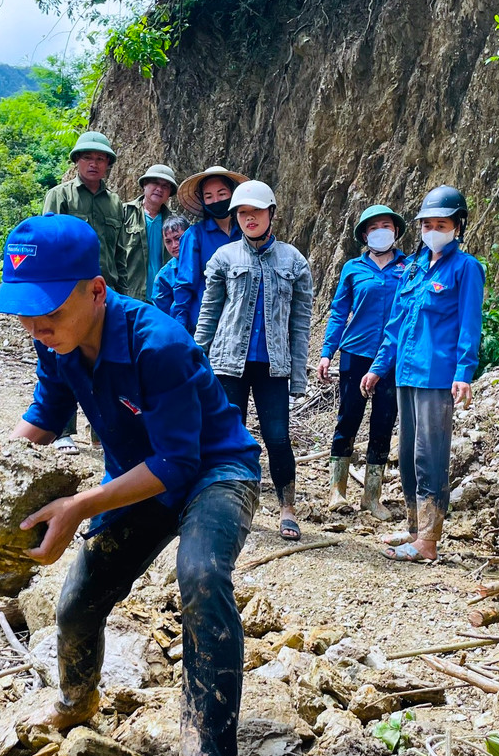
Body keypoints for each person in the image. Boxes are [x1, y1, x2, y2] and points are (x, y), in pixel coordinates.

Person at [0, 213, 262, 756]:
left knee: (200, 575)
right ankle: (76, 700)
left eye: (48, 306)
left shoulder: (155, 343)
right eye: (24, 310)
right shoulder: (55, 341)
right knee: (78, 600)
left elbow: (180, 461)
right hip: (141, 477)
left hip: (215, 471)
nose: (35, 323)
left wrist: (80, 505)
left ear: (97, 290)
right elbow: (45, 415)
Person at [362, 186, 484, 564]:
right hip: (406, 373)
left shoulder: (466, 268)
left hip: (437, 374)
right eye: (427, 224)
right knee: (410, 453)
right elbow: (397, 324)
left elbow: (469, 324)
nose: (433, 230)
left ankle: (429, 541)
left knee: (430, 456)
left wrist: (464, 371)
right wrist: (379, 366)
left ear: (457, 227)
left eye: (441, 224)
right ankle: (416, 528)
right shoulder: (414, 268)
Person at [195, 180, 313, 541]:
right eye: (243, 214)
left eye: (256, 213)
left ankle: (287, 508)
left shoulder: (294, 261)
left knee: (277, 438)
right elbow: (209, 313)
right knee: (230, 436)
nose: (250, 219)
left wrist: (298, 374)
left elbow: (300, 323)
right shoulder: (224, 258)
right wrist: (196, 359)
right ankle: (228, 505)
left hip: (273, 366)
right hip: (228, 362)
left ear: (271, 214)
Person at [317, 205, 409, 520]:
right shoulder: (352, 269)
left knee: (383, 422)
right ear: (364, 234)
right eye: (374, 227)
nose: (381, 230)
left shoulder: (408, 268)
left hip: (393, 359)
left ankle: (372, 497)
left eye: (386, 225)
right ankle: (336, 490)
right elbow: (339, 311)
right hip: (356, 353)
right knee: (348, 418)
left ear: (396, 232)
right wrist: (327, 352)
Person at [41, 131, 124, 453]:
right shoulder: (59, 196)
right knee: (64, 356)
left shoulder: (115, 203)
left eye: (101, 159)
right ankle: (62, 429)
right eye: (88, 157)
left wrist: (121, 290)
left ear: (107, 166)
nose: (94, 163)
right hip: (68, 291)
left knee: (106, 361)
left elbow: (121, 251)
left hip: (103, 293)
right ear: (77, 161)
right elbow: (48, 240)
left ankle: (101, 430)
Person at [169, 165, 249, 333]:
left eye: (222, 194)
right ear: (202, 200)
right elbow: (184, 284)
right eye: (209, 196)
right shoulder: (194, 236)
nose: (216, 201)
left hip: (244, 322)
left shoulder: (247, 232)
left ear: (232, 194)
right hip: (206, 323)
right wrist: (180, 327)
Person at [116, 164, 179, 301]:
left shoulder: (174, 223)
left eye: (165, 186)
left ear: (169, 193)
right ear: (144, 184)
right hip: (130, 296)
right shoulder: (123, 213)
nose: (159, 189)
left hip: (164, 297)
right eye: (155, 183)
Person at [151, 215, 189, 316]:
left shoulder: (206, 262)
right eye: (168, 241)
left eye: (178, 238)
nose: (174, 245)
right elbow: (163, 317)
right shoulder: (164, 277)